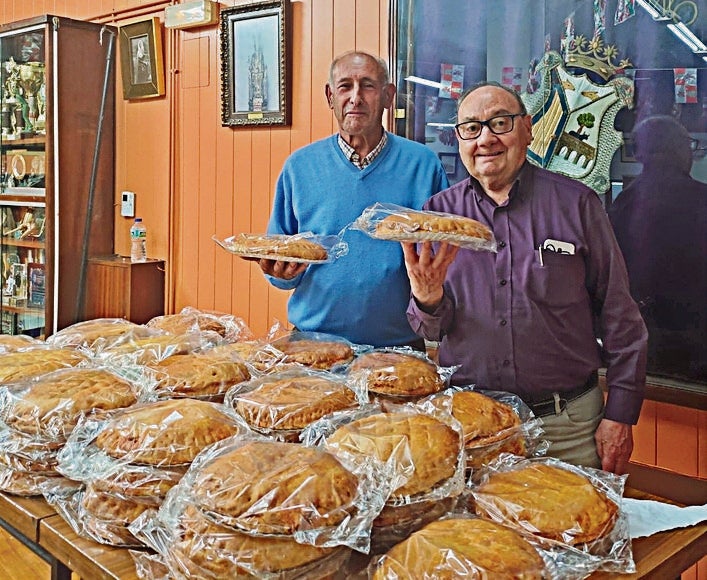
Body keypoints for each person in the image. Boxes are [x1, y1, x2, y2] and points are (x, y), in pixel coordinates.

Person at [403, 81, 647, 474]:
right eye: (471, 128)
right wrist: (428, 299)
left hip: (567, 429)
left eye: (500, 122)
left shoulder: (576, 204)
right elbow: (433, 328)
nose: (486, 139)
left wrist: (620, 413)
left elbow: (620, 316)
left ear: (528, 128)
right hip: (473, 426)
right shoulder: (440, 215)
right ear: (459, 139)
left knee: (573, 534)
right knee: (475, 536)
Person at [259, 51, 449, 348]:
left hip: (399, 348)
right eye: (345, 86)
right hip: (313, 346)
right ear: (330, 96)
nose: (356, 97)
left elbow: (442, 261)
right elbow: (280, 258)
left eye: (368, 86)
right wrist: (280, 274)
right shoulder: (299, 168)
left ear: (388, 96)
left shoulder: (423, 166)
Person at [608, 115, 707, 381]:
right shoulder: (702, 200)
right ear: (678, 149)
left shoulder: (623, 205)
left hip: (645, 335)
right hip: (698, 336)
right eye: (689, 145)